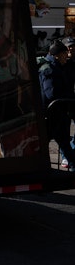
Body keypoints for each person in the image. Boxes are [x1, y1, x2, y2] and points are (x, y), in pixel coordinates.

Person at [38, 39, 75, 169]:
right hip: (52, 115)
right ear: (57, 55)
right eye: (65, 53)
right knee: (59, 144)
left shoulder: (57, 67)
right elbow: (51, 94)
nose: (67, 56)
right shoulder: (49, 69)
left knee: (64, 144)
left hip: (57, 113)